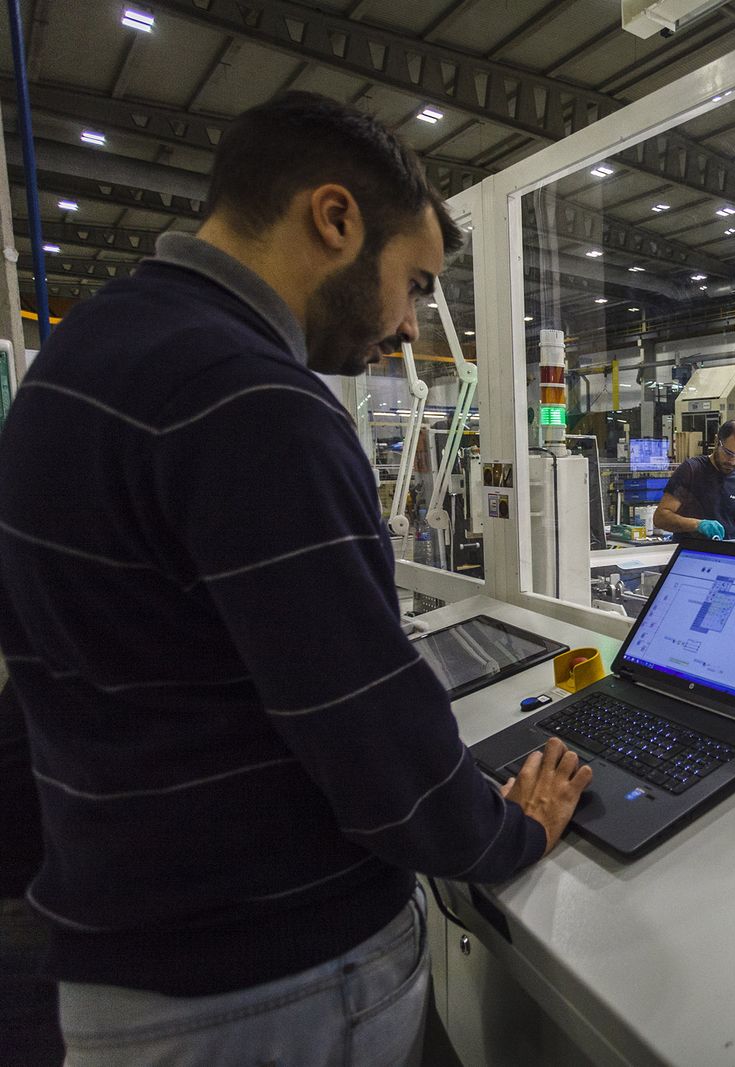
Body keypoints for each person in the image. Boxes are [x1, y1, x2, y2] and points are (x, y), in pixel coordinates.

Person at [0, 92, 591, 1066]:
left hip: (135, 956)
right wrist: (507, 833)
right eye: (413, 283)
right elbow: (372, 736)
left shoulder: (84, 352)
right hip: (269, 989)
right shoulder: (250, 398)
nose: (408, 328)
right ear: (334, 217)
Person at [653, 420, 735, 541]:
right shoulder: (691, 471)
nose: (733, 461)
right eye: (728, 453)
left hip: (729, 557)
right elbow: (660, 517)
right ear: (716, 442)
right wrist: (698, 525)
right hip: (693, 556)